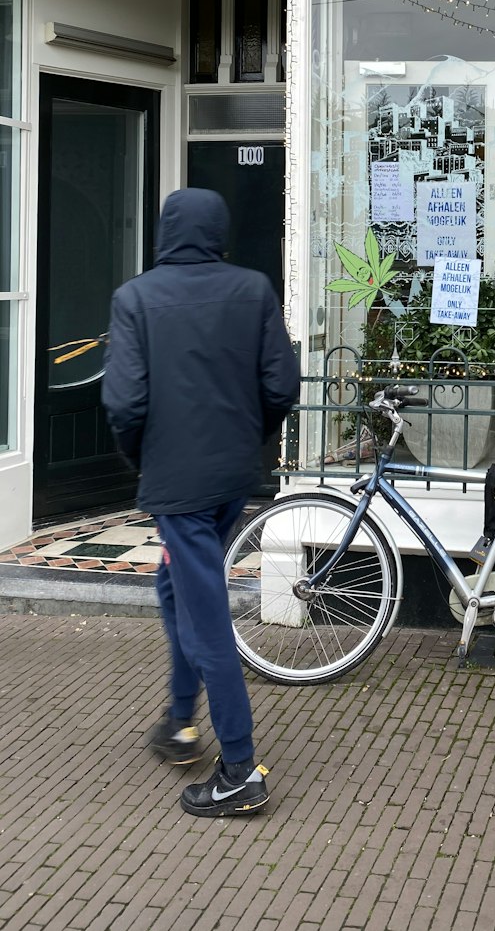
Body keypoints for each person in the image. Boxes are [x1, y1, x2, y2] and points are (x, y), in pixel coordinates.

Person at [102, 187, 300, 818]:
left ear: (165, 231)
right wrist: (250, 440)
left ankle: (239, 767)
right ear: (220, 231)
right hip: (231, 477)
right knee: (176, 587)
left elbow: (124, 403)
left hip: (178, 481)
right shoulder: (253, 290)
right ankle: (180, 722)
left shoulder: (135, 298)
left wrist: (144, 458)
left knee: (205, 613)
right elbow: (281, 385)